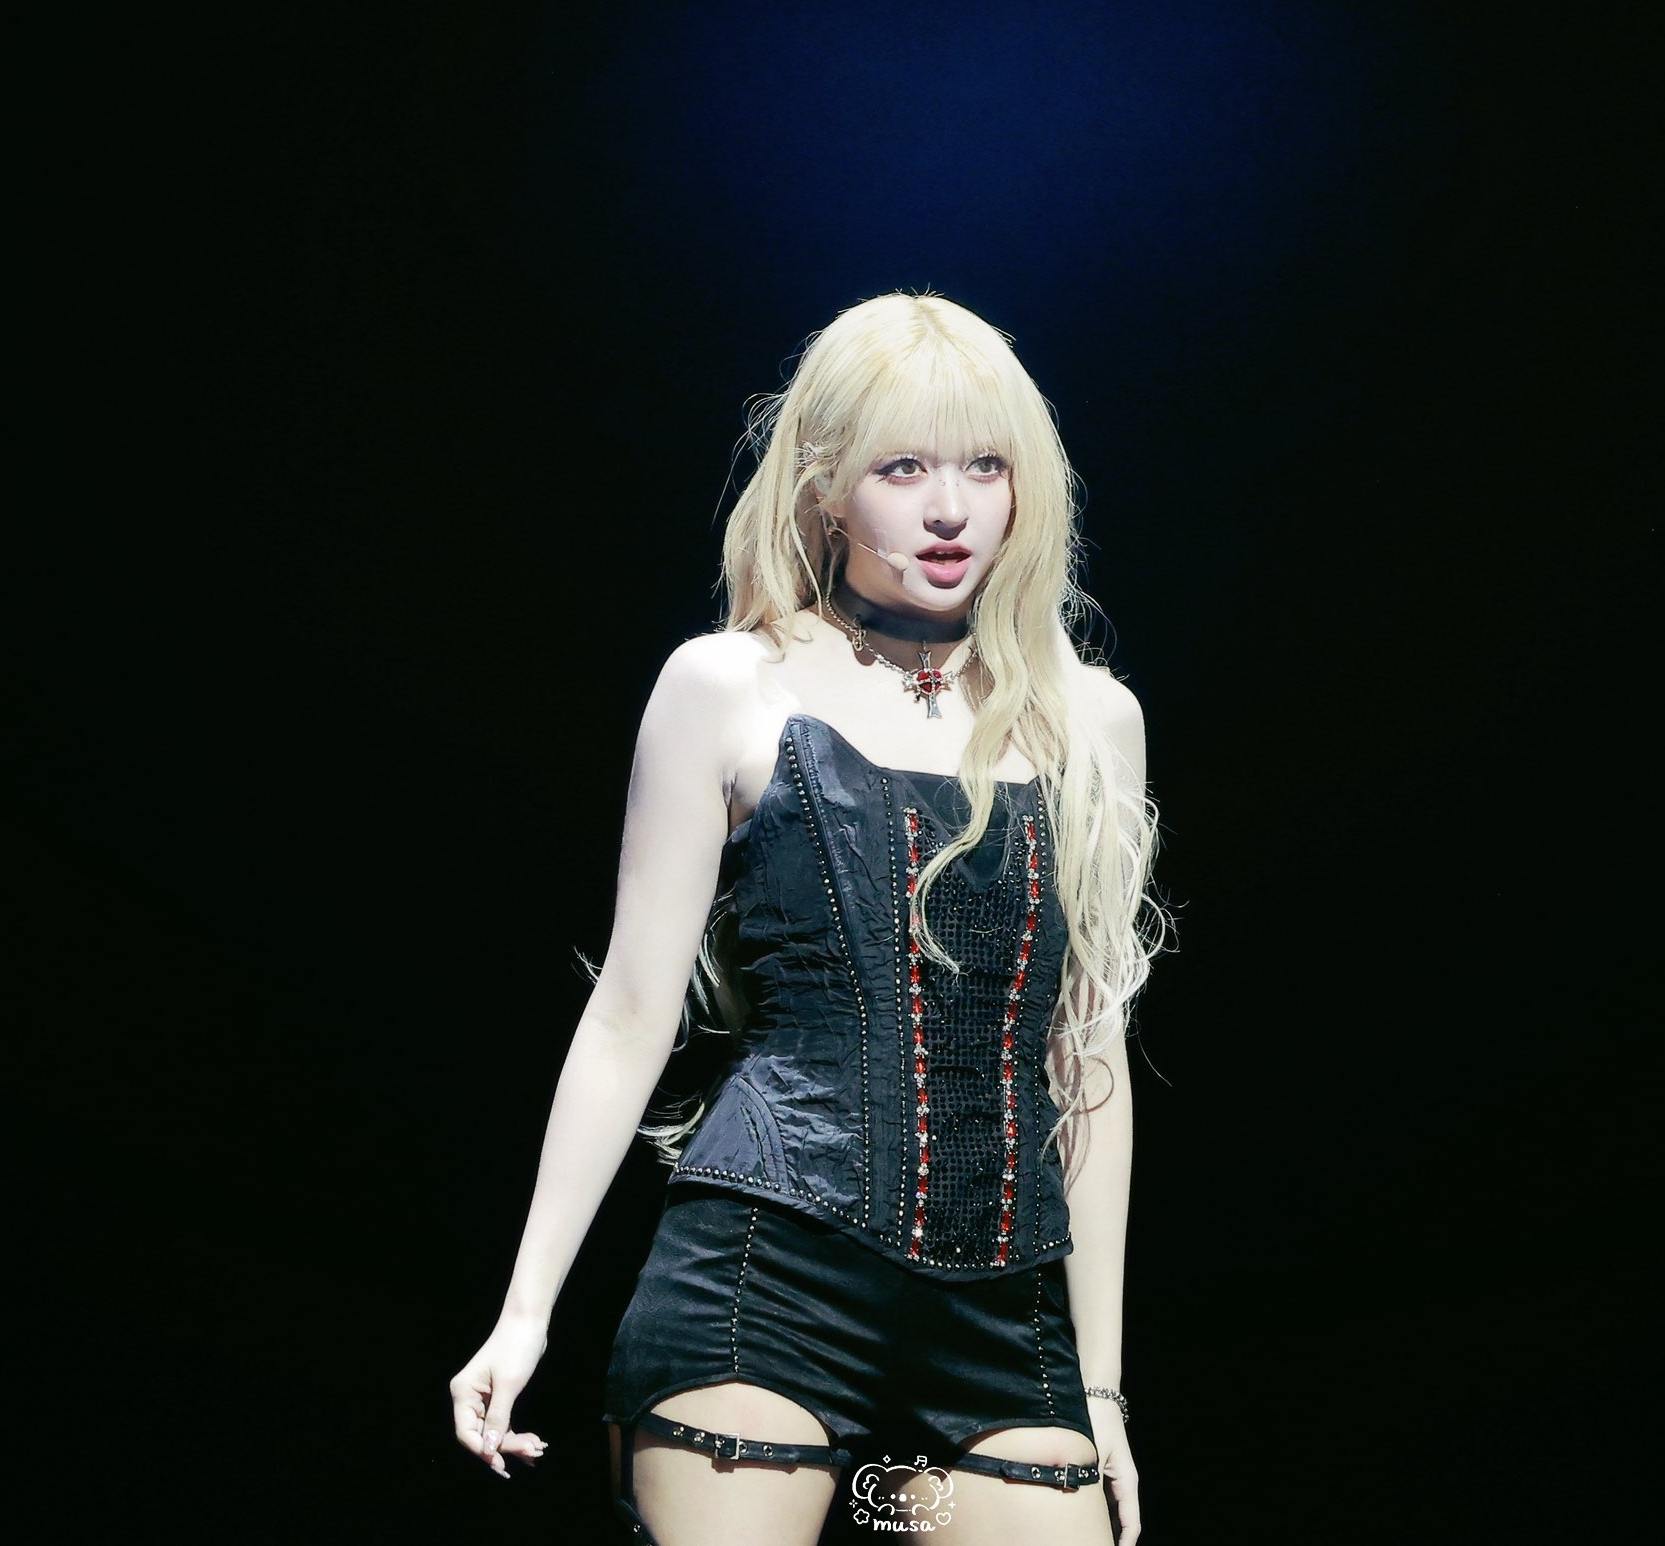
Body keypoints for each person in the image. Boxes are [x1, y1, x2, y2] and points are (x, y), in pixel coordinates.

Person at [448, 291, 1166, 1545]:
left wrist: (1099, 1388)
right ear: (827, 487)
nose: (949, 509)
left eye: (984, 465)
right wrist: (522, 1314)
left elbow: (1084, 1059)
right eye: (902, 467)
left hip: (1005, 1318)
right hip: (761, 1285)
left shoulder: (1089, 718)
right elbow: (628, 1012)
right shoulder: (727, 684)